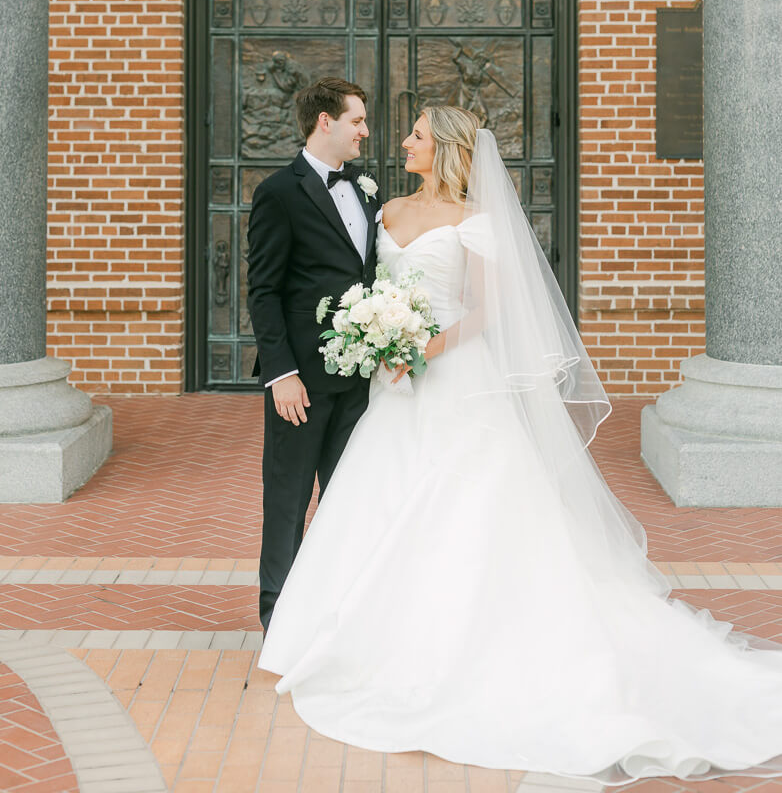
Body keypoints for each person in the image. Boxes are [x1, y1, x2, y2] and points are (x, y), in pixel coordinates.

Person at [259, 105, 782, 784]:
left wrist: (421, 345)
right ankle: (362, 639)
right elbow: (371, 289)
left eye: (416, 134)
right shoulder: (383, 209)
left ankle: (467, 645)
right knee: (381, 500)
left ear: (444, 149)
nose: (403, 142)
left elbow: (488, 310)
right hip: (392, 391)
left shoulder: (477, 223)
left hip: (453, 379)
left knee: (465, 506)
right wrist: (375, 337)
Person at [246, 78, 379, 633]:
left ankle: (340, 609)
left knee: (350, 499)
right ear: (325, 121)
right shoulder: (279, 191)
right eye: (357, 121)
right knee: (288, 497)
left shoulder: (368, 191)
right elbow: (263, 290)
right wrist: (282, 374)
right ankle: (278, 618)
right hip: (301, 381)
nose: (365, 132)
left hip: (361, 379)